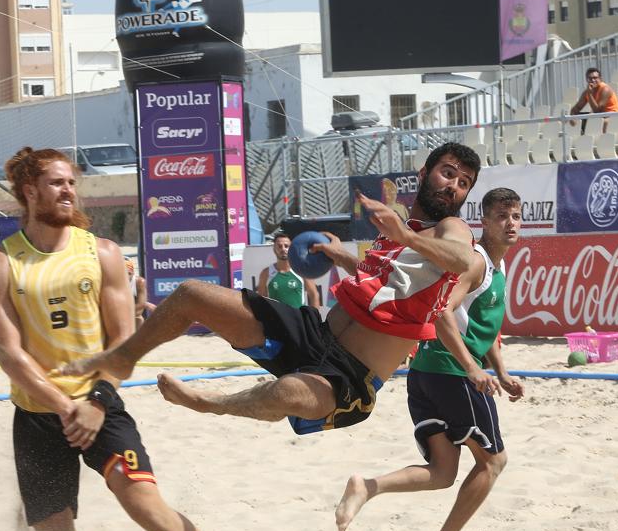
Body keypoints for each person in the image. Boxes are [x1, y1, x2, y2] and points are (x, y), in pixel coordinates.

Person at [61, 143, 482, 436]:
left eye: (464, 183)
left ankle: (209, 403)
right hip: (313, 332)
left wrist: (405, 238)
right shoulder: (401, 229)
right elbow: (386, 282)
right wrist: (342, 256)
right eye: (448, 173)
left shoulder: (450, 229)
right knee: (191, 293)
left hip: (353, 378)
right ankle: (120, 359)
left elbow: (461, 259)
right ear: (424, 173)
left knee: (286, 392)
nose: (453, 186)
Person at [0, 147, 235, 531]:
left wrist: (94, 403)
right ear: (29, 192)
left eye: (71, 182)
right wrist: (64, 407)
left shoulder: (103, 254)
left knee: (150, 512)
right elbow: (10, 356)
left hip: (100, 404)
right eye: (57, 183)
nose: (69, 190)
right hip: (39, 415)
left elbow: (122, 343)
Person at [334, 187, 525, 531]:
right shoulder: (476, 262)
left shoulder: (496, 266)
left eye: (516, 216)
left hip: (426, 372)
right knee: (494, 461)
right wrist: (472, 369)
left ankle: (367, 486)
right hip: (451, 372)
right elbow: (440, 312)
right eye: (502, 216)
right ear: (483, 222)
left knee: (442, 471)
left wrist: (501, 371)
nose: (511, 223)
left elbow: (485, 329)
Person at [256, 232, 322, 310]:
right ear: (274, 249)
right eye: (279, 246)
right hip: (275, 320)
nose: (283, 249)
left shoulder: (301, 270)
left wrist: (314, 319)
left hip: (298, 320)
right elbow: (261, 299)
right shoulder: (266, 273)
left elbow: (314, 295)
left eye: (286, 246)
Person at [569, 67, 618, 133]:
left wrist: (590, 94)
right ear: (586, 80)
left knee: (589, 119)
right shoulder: (587, 92)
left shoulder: (605, 89)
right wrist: (572, 118)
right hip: (600, 116)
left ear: (600, 79)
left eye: (595, 78)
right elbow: (576, 108)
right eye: (590, 78)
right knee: (578, 118)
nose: (593, 80)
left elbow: (598, 111)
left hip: (612, 115)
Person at [124, 257, 156, 329]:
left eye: (129, 273)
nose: (126, 276)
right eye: (124, 273)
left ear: (133, 273)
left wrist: (143, 304)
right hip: (116, 310)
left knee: (139, 319)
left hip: (125, 310)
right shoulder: (112, 282)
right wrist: (144, 304)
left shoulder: (139, 282)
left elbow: (139, 311)